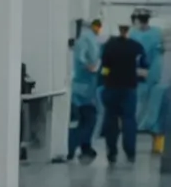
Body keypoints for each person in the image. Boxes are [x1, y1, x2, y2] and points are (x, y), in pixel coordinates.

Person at [101, 23, 149, 163]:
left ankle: (112, 152)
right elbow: (145, 66)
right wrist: (137, 77)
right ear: (128, 31)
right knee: (129, 120)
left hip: (111, 87)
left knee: (111, 120)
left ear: (119, 30)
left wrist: (106, 79)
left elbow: (104, 67)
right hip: (129, 88)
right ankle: (130, 152)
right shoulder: (136, 46)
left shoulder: (109, 46)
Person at [70, 19, 103, 162]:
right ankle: (72, 148)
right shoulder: (85, 41)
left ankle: (85, 147)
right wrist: (91, 67)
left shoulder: (89, 40)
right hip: (83, 87)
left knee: (85, 119)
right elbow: (82, 60)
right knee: (89, 118)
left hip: (86, 86)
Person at [137, 10, 168, 150]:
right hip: (156, 82)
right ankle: (158, 144)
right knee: (158, 114)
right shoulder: (159, 53)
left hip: (155, 82)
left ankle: (158, 143)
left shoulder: (160, 54)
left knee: (157, 113)